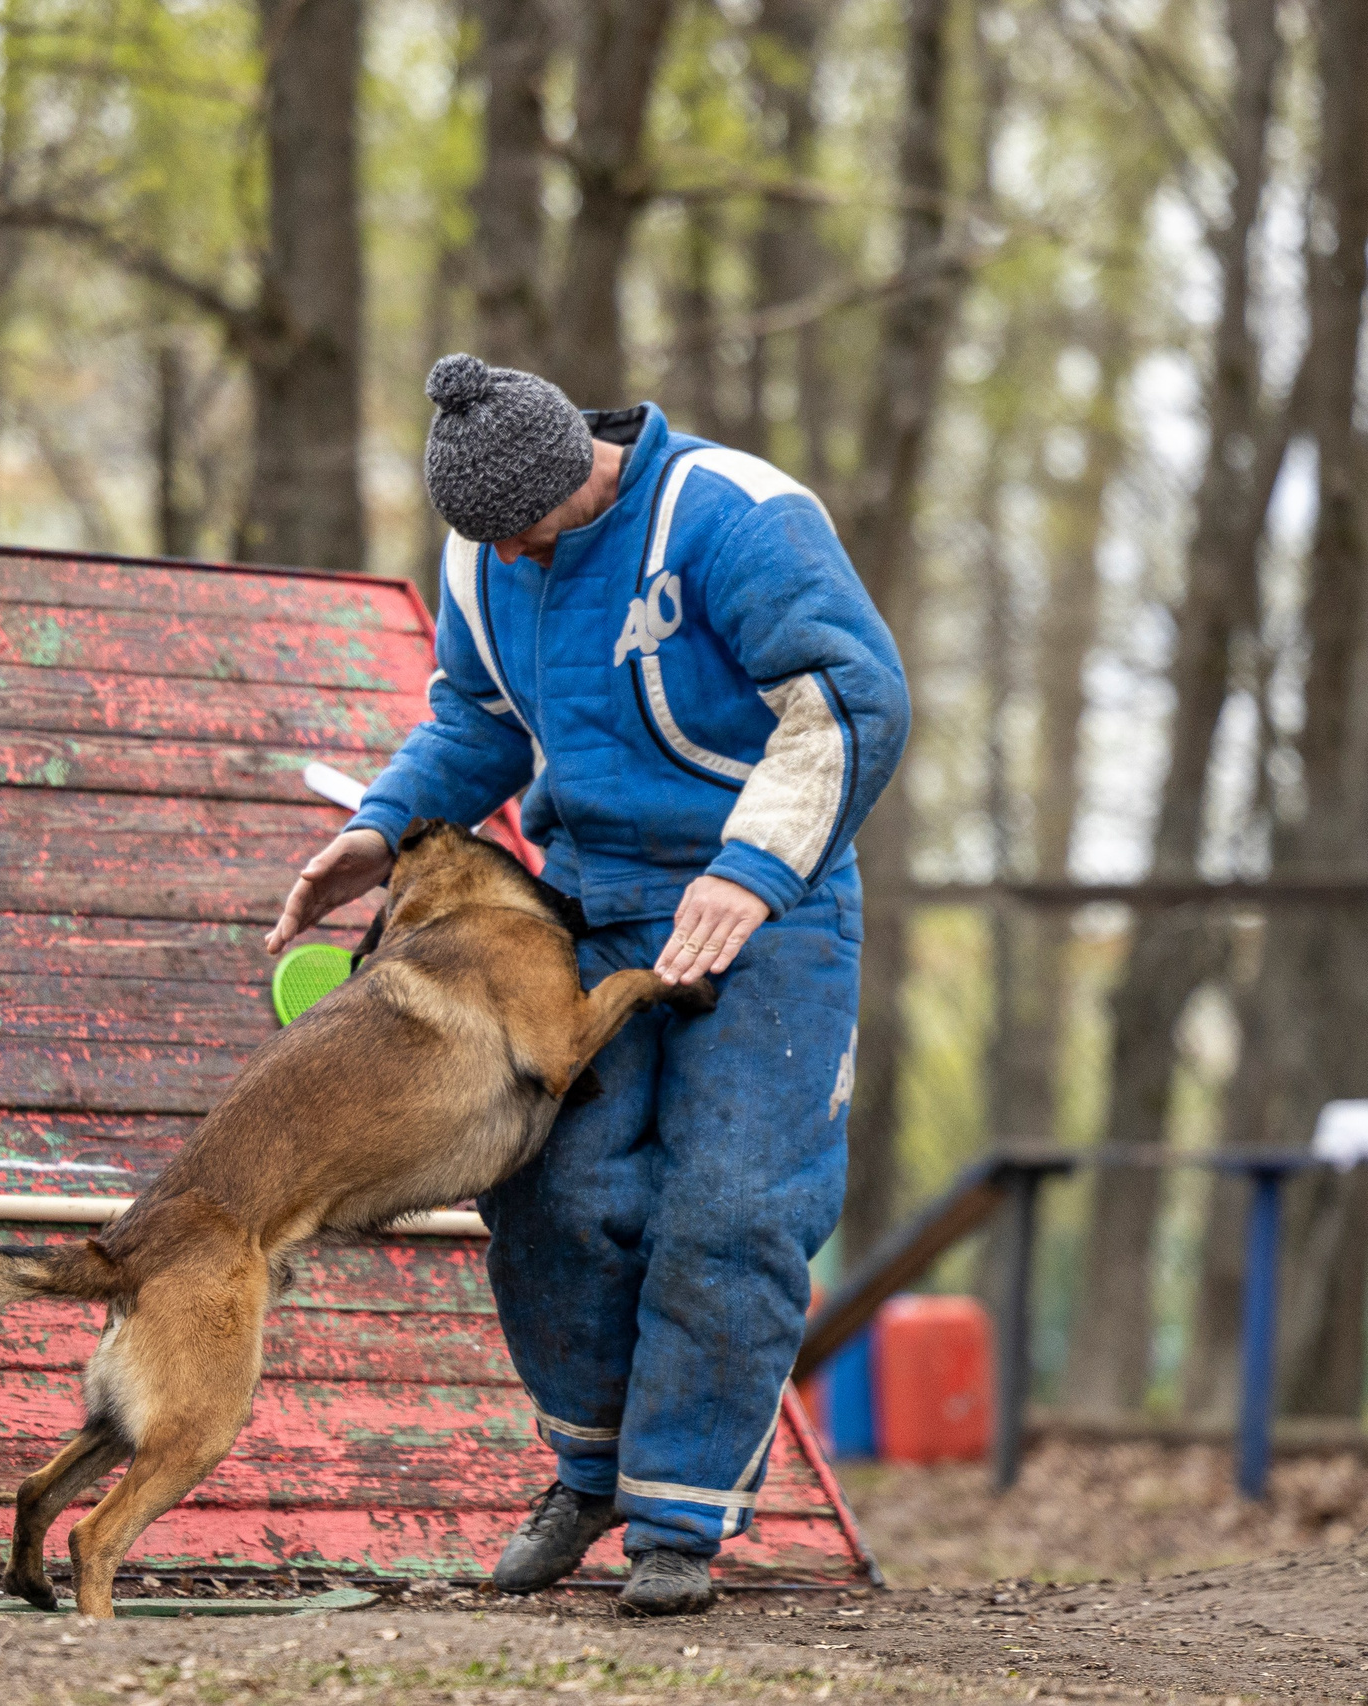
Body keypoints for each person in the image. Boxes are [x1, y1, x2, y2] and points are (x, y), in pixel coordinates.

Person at [266, 355, 908, 1615]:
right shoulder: (483, 557)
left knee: (728, 1207)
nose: (503, 555)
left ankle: (677, 1522)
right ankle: (590, 1469)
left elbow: (848, 700)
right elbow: (474, 719)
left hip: (770, 904)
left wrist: (751, 869)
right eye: (483, 537)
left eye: (519, 529)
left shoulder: (732, 514)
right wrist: (381, 829)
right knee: (555, 1193)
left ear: (581, 475)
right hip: (578, 906)